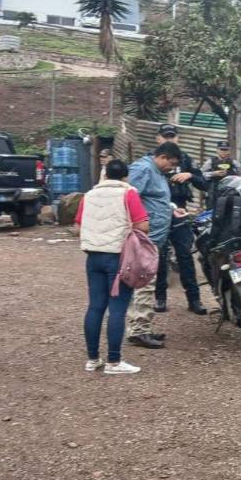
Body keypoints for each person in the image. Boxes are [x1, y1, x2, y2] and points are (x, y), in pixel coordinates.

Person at [74, 159, 148, 375]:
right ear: (126, 176)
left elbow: (77, 227)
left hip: (93, 257)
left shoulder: (89, 195)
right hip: (118, 258)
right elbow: (143, 225)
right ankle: (114, 362)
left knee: (95, 307)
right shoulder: (129, 193)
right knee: (117, 309)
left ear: (105, 174)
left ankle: (92, 359)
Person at [125, 142, 182, 349]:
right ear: (162, 157)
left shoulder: (156, 172)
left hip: (155, 237)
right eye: (171, 164)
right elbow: (129, 200)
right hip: (144, 239)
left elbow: (154, 200)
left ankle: (142, 327)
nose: (171, 168)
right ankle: (139, 331)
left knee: (147, 282)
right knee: (144, 283)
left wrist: (171, 209)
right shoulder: (143, 169)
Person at [153, 124, 208, 315]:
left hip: (180, 211)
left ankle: (194, 300)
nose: (169, 139)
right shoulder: (151, 160)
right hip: (158, 213)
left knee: (185, 255)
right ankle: (160, 298)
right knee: (159, 256)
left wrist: (190, 175)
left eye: (172, 136)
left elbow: (204, 183)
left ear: (178, 138)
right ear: (158, 138)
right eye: (166, 136)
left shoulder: (185, 159)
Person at [202, 141, 241, 209]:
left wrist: (233, 177)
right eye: (222, 149)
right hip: (213, 191)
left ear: (229, 151)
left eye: (226, 150)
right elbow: (201, 174)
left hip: (229, 191)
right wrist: (214, 173)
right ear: (217, 150)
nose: (224, 152)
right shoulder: (210, 162)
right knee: (211, 209)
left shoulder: (234, 163)